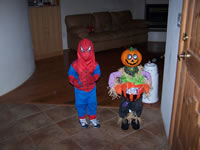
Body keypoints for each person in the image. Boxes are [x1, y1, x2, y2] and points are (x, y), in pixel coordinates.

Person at [108, 47, 151, 130]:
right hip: (126, 94)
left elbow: (148, 75)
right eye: (129, 57)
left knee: (138, 106)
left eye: (134, 57)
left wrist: (148, 84)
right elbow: (113, 75)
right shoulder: (122, 72)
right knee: (124, 106)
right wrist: (114, 86)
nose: (132, 60)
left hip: (138, 95)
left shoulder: (140, 72)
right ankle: (125, 118)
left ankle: (135, 118)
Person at [68, 39, 101, 128]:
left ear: (92, 50)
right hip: (79, 90)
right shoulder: (74, 65)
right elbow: (70, 75)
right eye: (83, 50)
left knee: (92, 103)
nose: (86, 53)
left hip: (91, 89)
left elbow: (98, 72)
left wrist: (94, 78)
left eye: (88, 50)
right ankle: (82, 118)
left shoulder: (95, 64)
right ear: (79, 50)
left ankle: (92, 118)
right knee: (80, 104)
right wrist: (75, 82)